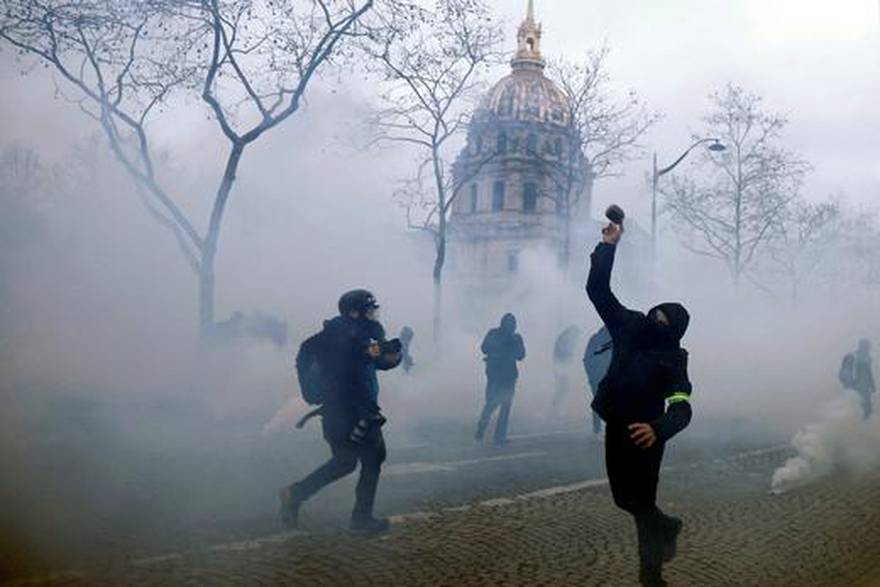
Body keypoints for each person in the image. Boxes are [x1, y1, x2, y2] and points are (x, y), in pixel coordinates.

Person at [586, 221, 693, 587]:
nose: (656, 322)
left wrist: (658, 429)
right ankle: (667, 525)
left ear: (675, 331)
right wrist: (607, 245)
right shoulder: (630, 326)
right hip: (616, 421)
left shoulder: (674, 359)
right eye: (655, 315)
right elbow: (598, 290)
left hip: (645, 435)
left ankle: (652, 577)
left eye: (665, 322)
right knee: (625, 501)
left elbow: (682, 407)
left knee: (642, 504)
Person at [280, 289, 402, 534]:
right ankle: (361, 519)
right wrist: (380, 351)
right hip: (356, 413)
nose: (373, 315)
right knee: (373, 458)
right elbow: (360, 359)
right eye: (369, 310)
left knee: (344, 462)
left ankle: (295, 493)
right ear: (355, 312)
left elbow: (379, 362)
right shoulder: (349, 337)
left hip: (337, 413)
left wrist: (392, 353)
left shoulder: (346, 335)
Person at [475, 313, 526, 445]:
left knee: (496, 403)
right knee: (500, 404)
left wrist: (502, 353)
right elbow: (484, 348)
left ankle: (487, 427)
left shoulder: (500, 335)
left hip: (499, 374)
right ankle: (495, 433)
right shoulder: (507, 336)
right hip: (501, 375)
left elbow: (520, 355)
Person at [583, 325, 613, 438]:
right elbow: (588, 359)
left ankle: (600, 429)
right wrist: (592, 376)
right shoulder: (597, 340)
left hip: (607, 377)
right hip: (599, 377)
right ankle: (598, 430)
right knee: (600, 403)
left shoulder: (597, 339)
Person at [839, 339, 875, 420]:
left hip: (865, 388)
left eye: (869, 346)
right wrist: (850, 386)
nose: (868, 348)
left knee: (867, 409)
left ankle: (863, 426)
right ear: (861, 346)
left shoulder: (868, 357)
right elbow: (844, 372)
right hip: (855, 388)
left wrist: (872, 385)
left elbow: (869, 372)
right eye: (867, 346)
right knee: (854, 409)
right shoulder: (852, 356)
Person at [551, 325, 582, 414]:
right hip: (560, 368)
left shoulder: (563, 339)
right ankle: (555, 410)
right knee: (563, 389)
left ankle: (556, 410)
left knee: (563, 389)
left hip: (560, 368)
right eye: (576, 335)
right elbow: (563, 355)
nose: (577, 338)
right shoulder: (565, 340)